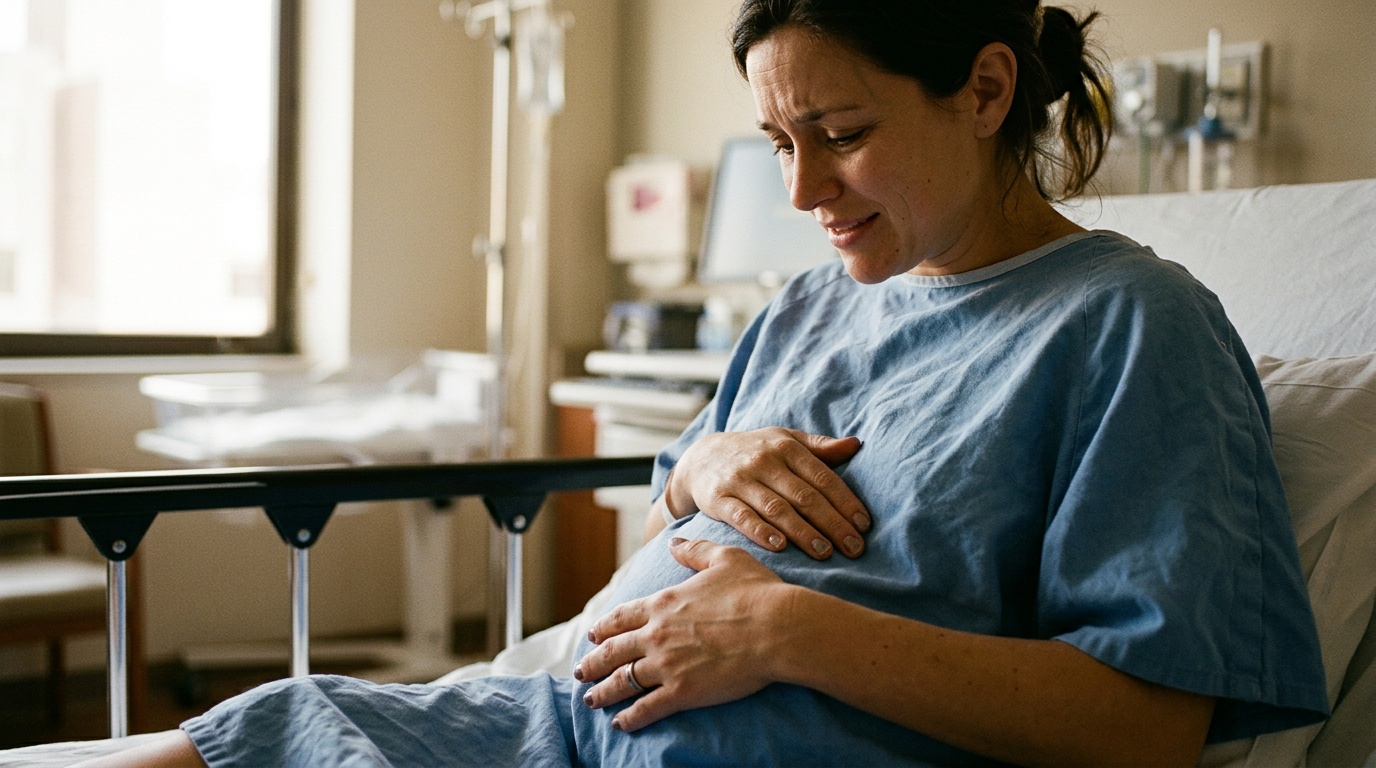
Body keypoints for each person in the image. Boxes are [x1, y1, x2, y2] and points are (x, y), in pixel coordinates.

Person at [80, 1, 1328, 766]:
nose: (799, 194)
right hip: (534, 729)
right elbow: (681, 480)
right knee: (225, 736)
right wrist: (696, 465)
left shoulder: (1129, 328)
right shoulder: (804, 305)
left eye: (838, 135)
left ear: (986, 88)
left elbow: (1144, 730)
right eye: (779, 145)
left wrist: (785, 629)